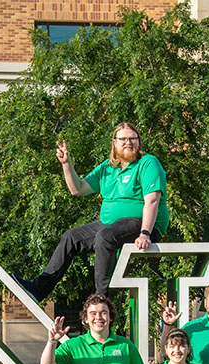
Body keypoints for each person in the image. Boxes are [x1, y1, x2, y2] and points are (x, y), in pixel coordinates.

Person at [11, 122, 168, 301]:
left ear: (139, 142)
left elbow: (152, 200)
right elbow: (77, 189)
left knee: (105, 237)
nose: (128, 142)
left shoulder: (148, 163)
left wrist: (145, 233)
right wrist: (66, 163)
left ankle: (101, 299)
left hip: (143, 224)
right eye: (123, 139)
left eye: (133, 138)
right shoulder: (108, 168)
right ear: (114, 143)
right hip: (111, 225)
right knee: (71, 237)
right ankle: (39, 289)